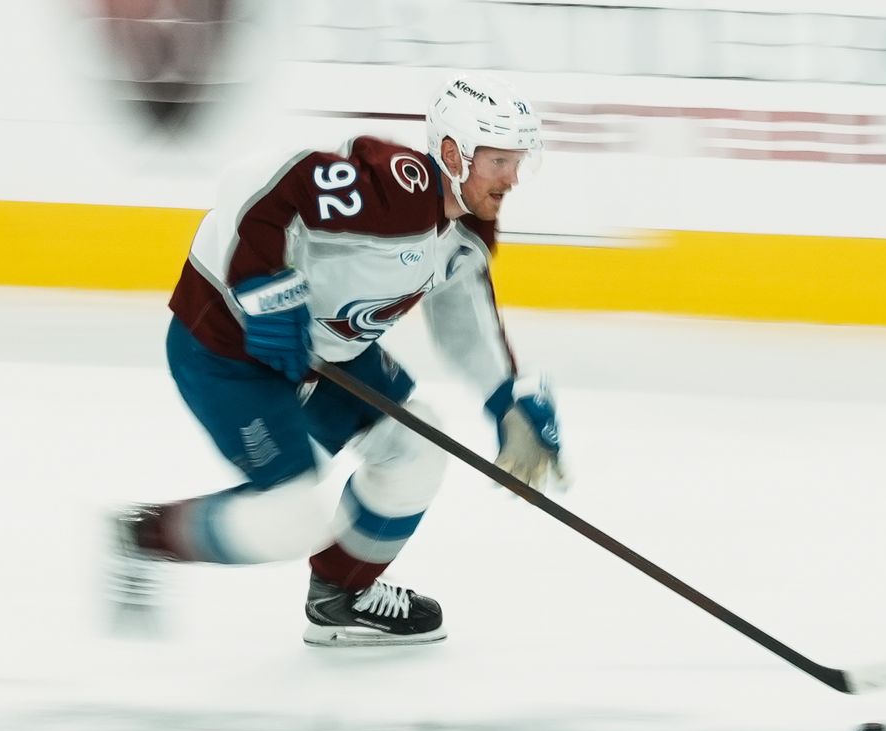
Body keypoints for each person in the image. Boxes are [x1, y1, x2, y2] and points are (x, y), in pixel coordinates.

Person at [109, 73, 567, 647]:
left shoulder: (468, 232)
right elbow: (257, 183)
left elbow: (465, 320)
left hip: (328, 354)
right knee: (291, 517)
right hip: (228, 348)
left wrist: (506, 400)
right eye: (500, 161)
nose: (513, 179)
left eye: (519, 161)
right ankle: (142, 536)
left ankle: (340, 594)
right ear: (453, 153)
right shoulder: (392, 191)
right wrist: (265, 289)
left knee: (418, 444)